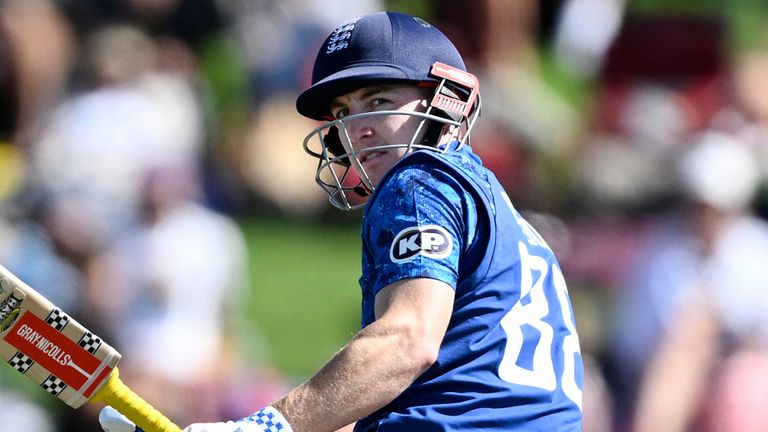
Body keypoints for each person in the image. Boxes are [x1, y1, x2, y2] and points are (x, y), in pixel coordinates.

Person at [100, 11, 584, 432]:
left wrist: (268, 426)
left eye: (378, 101)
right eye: (344, 112)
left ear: (446, 101)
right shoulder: (504, 212)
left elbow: (406, 341)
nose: (358, 128)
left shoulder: (418, 182)